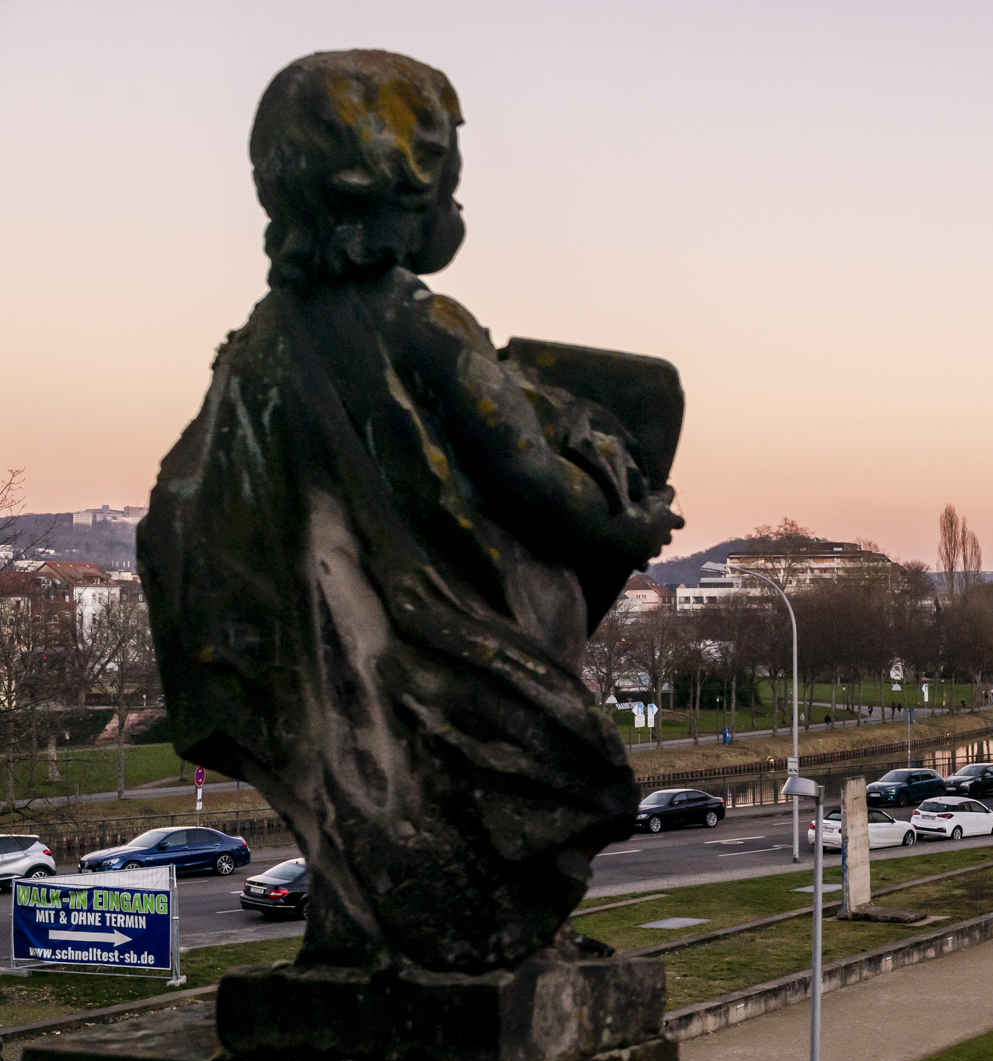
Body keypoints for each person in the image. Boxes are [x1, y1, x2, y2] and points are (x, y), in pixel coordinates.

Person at [140, 51, 681, 974]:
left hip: (316, 654)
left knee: (361, 805)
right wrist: (625, 528)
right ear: (406, 188)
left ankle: (359, 933)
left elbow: (186, 505)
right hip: (431, 635)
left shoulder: (257, 348)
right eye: (452, 188)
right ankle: (474, 944)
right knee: (502, 788)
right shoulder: (424, 324)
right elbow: (527, 477)